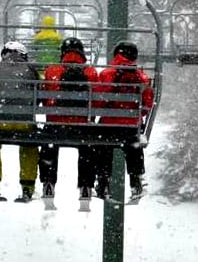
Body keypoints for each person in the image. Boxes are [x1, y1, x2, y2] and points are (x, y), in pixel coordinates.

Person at [39, 36, 100, 206]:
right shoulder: (91, 73)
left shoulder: (52, 71)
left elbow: (45, 98)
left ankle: (48, 183)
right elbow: (96, 101)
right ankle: (86, 185)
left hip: (56, 126)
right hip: (82, 126)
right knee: (88, 147)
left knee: (49, 145)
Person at [0, 41, 40, 202]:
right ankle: (27, 188)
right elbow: (38, 97)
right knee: (29, 147)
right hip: (23, 123)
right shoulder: (30, 71)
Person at [95, 40, 154, 201]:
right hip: (130, 127)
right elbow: (147, 104)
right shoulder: (141, 77)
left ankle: (103, 182)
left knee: (103, 147)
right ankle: (136, 183)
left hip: (108, 126)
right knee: (134, 147)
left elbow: (97, 101)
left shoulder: (106, 75)